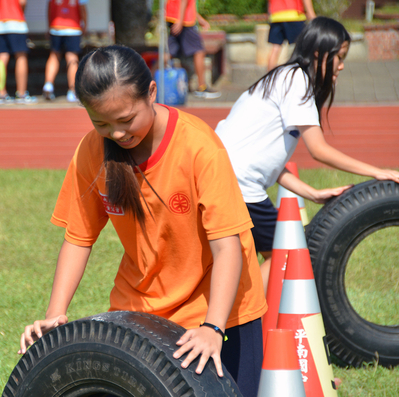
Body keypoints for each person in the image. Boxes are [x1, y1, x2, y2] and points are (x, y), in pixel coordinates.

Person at [18, 45, 268, 397]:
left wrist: (214, 327)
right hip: (140, 310)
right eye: (101, 123)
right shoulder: (92, 151)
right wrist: (55, 314)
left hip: (221, 309)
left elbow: (228, 246)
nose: (117, 134)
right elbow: (79, 237)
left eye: (126, 120)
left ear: (152, 92)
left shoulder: (200, 148)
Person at [215, 17, 399, 292]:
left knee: (262, 255)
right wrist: (376, 171)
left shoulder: (286, 77)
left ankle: (236, 311)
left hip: (225, 178)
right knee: (288, 250)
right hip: (237, 185)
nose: (342, 65)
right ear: (318, 53)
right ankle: (239, 312)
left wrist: (311, 193)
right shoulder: (295, 80)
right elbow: (319, 150)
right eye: (339, 56)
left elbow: (270, 164)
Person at [165, 0, 220, 98]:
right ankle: (201, 87)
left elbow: (189, 4)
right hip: (185, 21)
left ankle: (146, 81)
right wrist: (180, 21)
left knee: (169, 52)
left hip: (173, 17)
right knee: (199, 51)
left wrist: (199, 19)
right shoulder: (183, 20)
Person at [0, 0, 37, 104]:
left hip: (0, 23)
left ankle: (1, 94)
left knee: (2, 56)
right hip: (16, 21)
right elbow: (22, 2)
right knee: (21, 57)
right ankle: (21, 94)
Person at [42, 0, 87, 103]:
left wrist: (49, 25)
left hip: (56, 27)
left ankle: (48, 84)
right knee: (72, 58)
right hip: (73, 27)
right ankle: (72, 91)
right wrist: (85, 25)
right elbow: (83, 9)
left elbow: (50, 8)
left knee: (54, 55)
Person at [266, 0, 316, 71]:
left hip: (276, 15)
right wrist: (311, 14)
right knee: (302, 47)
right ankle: (302, 74)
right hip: (294, 14)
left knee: (275, 48)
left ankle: (269, 78)